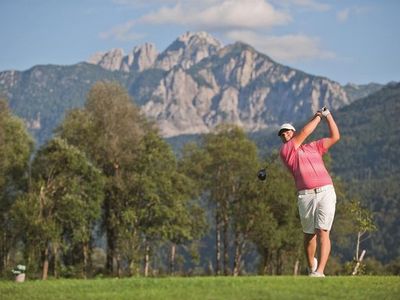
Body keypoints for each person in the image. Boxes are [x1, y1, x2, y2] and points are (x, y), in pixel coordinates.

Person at [278, 107, 340, 277]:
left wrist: (328, 116)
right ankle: (311, 264)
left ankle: (319, 271)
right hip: (305, 195)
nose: (285, 135)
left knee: (323, 231)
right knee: (309, 234)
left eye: (287, 132)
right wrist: (318, 116)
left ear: (293, 132)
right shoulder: (286, 151)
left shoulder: (314, 147)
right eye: (282, 134)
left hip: (326, 191)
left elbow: (335, 137)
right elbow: (306, 131)